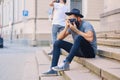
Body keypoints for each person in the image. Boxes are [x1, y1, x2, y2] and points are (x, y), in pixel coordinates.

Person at [43, 8, 97, 76]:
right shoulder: (71, 26)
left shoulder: (86, 24)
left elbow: (90, 38)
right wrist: (66, 27)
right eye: (70, 19)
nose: (72, 21)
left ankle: (66, 63)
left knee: (79, 37)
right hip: (79, 51)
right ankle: (52, 70)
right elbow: (59, 38)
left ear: (79, 18)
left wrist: (76, 30)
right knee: (57, 43)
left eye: (73, 19)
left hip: (90, 52)